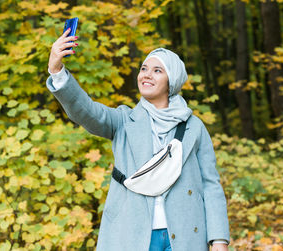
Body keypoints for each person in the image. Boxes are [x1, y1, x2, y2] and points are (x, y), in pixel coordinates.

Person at [46, 28, 230, 251]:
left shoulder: (194, 127)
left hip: (185, 235)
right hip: (132, 234)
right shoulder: (123, 120)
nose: (146, 74)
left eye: (157, 70)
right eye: (143, 69)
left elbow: (210, 185)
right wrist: (57, 71)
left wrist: (219, 239)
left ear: (172, 80)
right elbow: (87, 111)